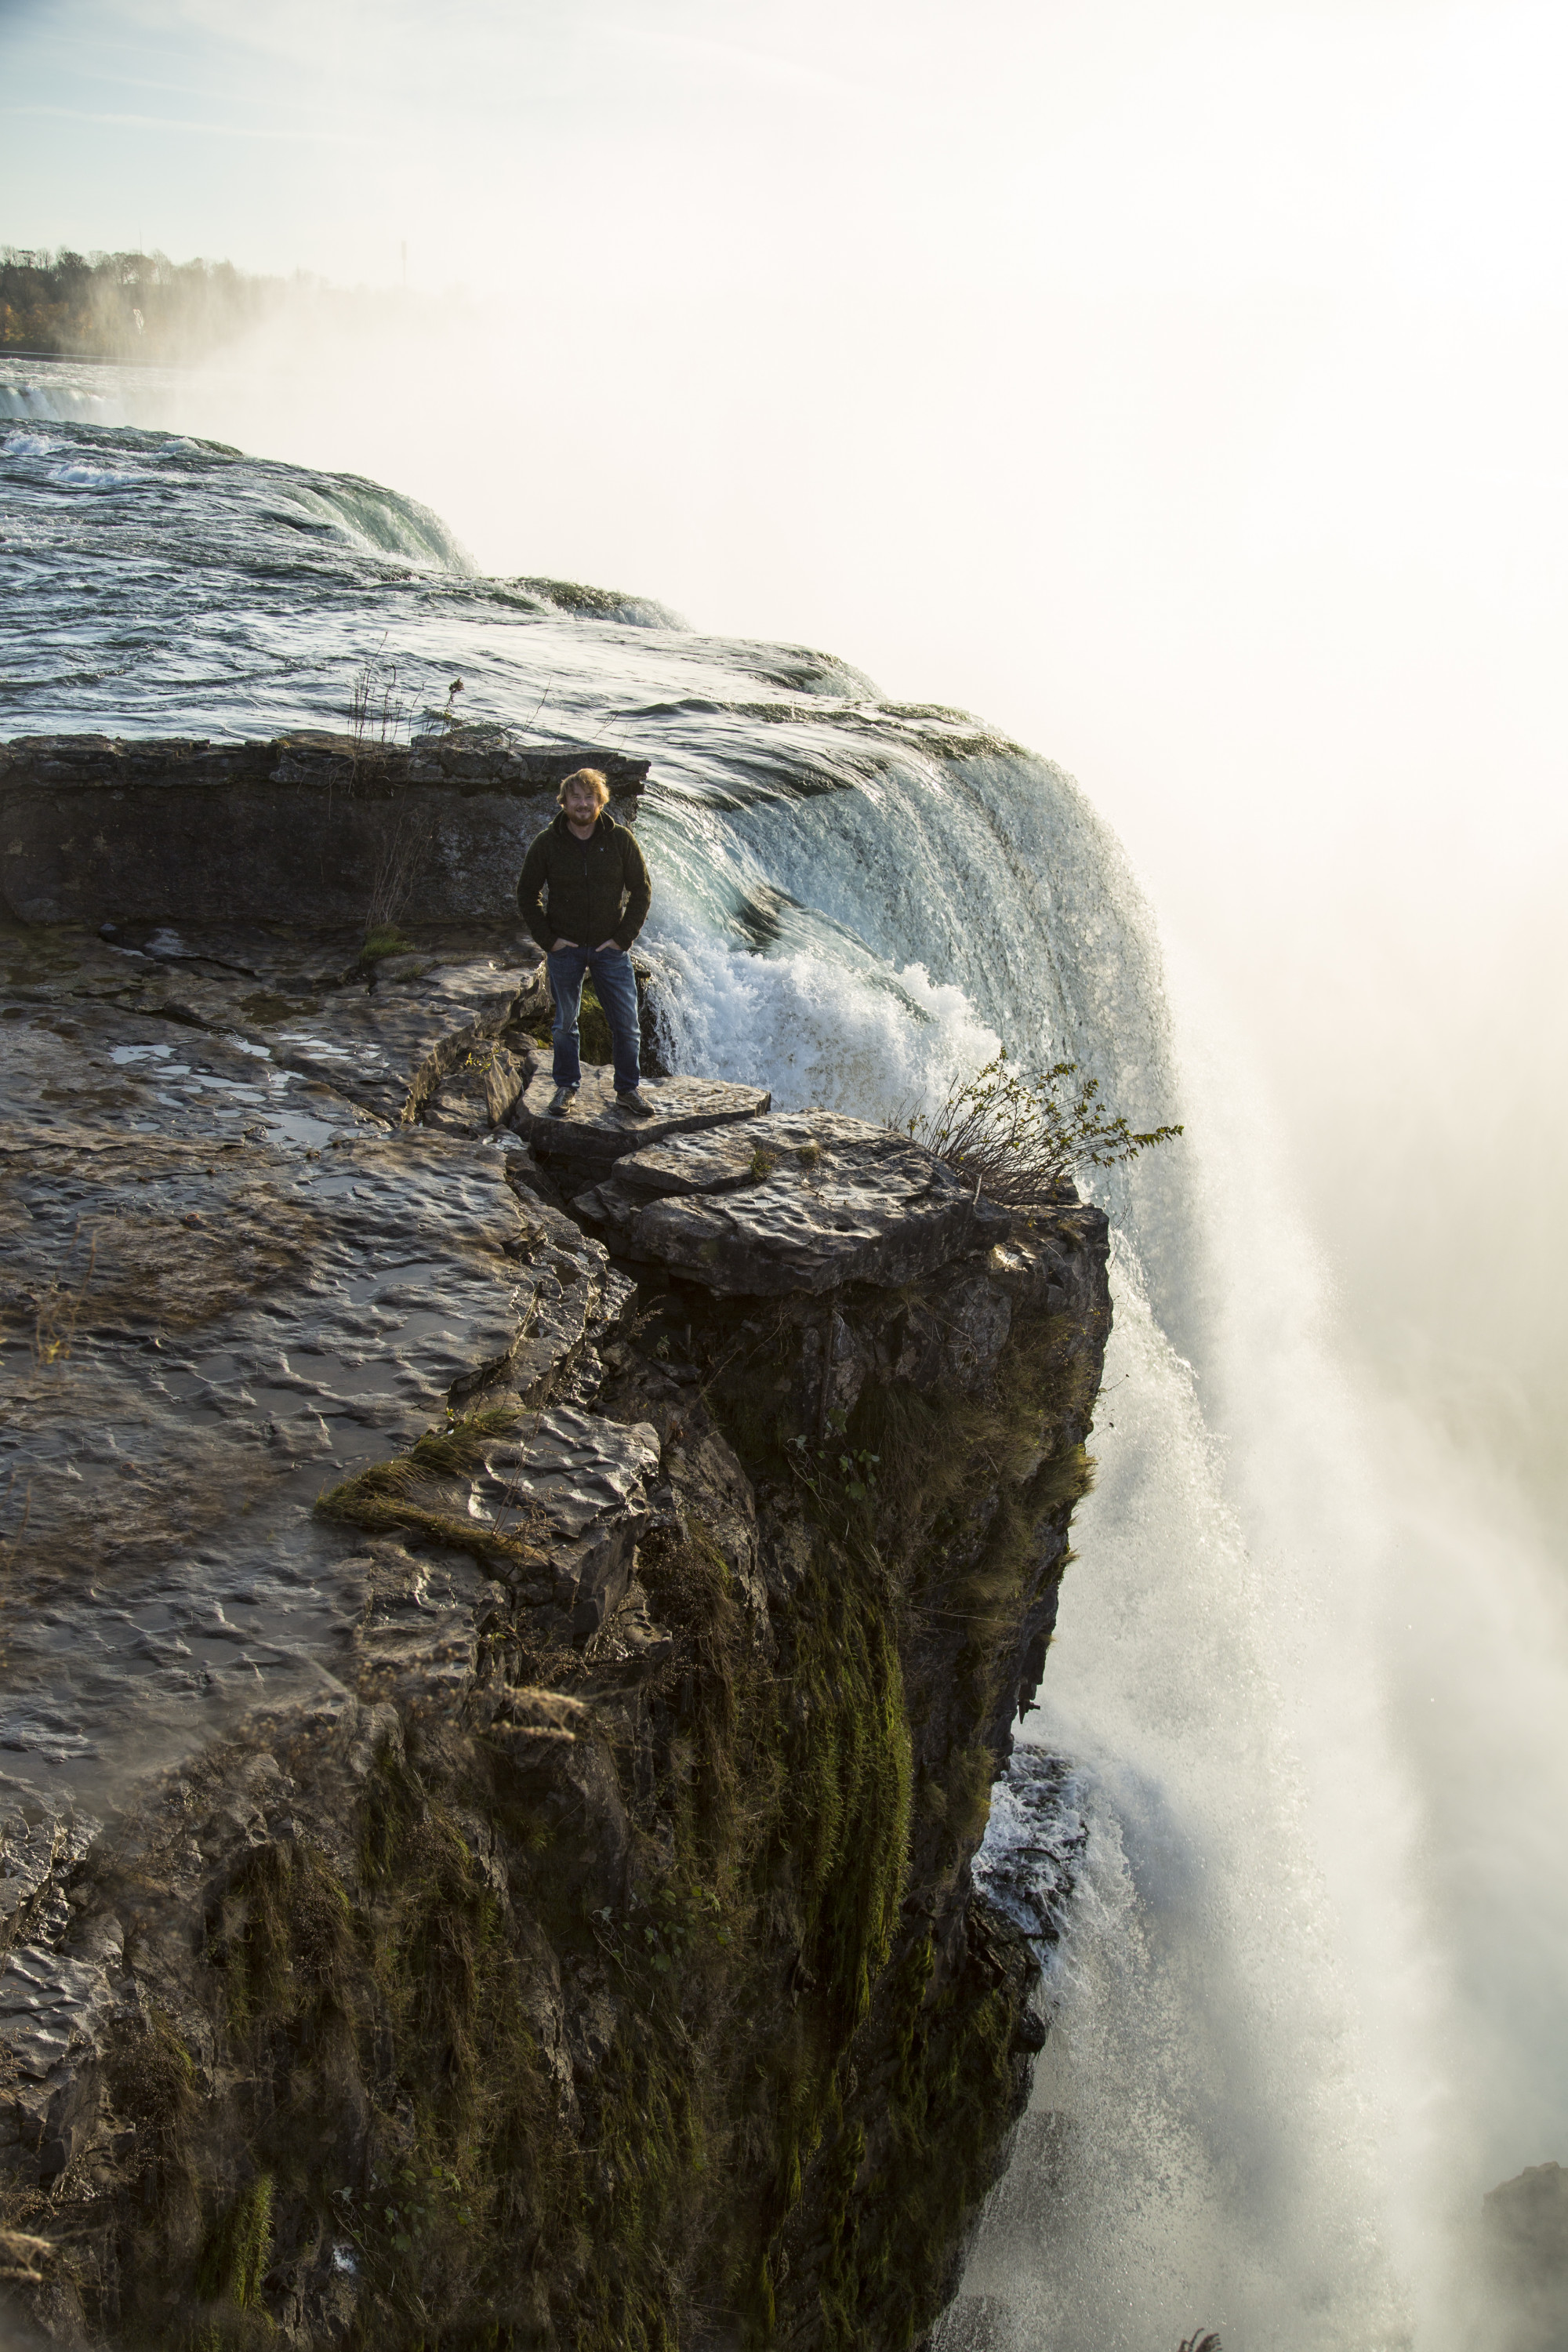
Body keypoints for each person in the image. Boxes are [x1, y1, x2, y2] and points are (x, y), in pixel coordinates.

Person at [517, 765, 655, 1118]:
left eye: (589, 797)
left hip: (611, 949)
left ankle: (628, 1090)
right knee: (565, 1023)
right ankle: (566, 1088)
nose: (582, 803)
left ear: (600, 801)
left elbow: (641, 890)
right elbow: (527, 893)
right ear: (564, 803)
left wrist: (623, 939)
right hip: (567, 949)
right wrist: (549, 940)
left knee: (626, 1024)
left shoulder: (621, 839)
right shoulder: (547, 844)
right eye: (575, 797)